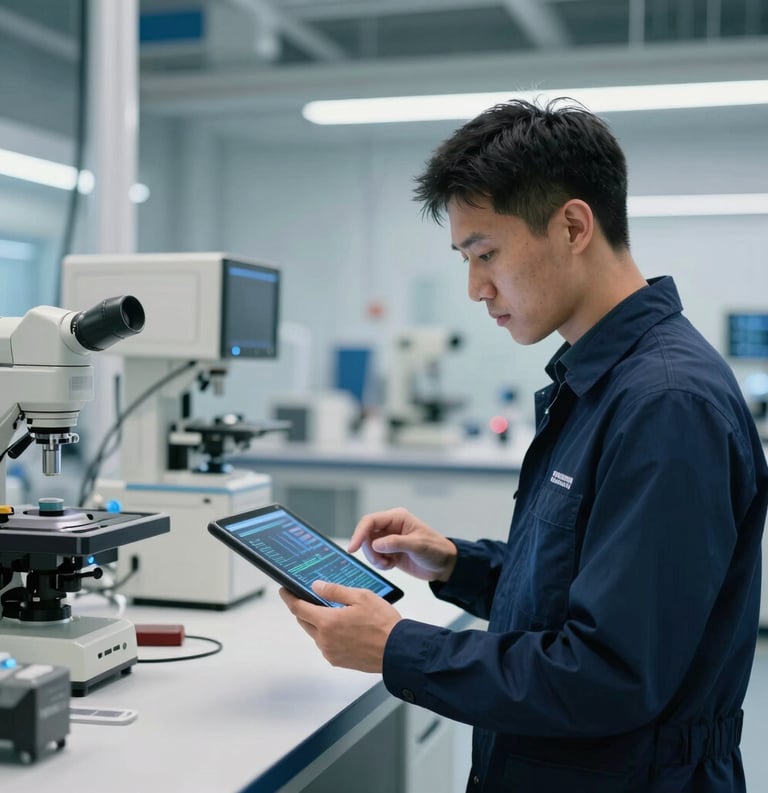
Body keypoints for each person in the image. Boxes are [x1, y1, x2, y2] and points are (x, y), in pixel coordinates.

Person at [279, 98, 768, 793]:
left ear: (572, 225)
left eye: (486, 253)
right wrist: (457, 564)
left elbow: (609, 674)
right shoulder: (604, 382)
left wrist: (399, 647)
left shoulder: (664, 404)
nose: (476, 287)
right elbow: (585, 588)